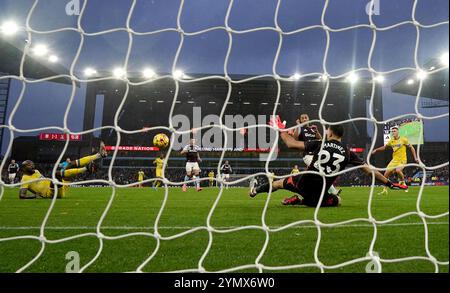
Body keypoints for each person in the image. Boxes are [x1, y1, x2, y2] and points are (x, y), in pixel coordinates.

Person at [249, 116, 407, 207]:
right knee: (338, 200)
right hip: (319, 194)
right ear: (341, 135)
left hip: (302, 183)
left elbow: (291, 144)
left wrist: (280, 130)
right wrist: (389, 183)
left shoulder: (320, 144)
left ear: (330, 132)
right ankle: (299, 200)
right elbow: (369, 170)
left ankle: (256, 191)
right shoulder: (347, 152)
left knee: (277, 183)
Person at [19, 142, 107, 199]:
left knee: (71, 164)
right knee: (57, 173)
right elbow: (21, 195)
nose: (32, 166)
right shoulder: (25, 179)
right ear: (24, 168)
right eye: (29, 165)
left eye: (32, 164)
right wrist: (33, 196)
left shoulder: (36, 171)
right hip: (51, 193)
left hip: (59, 185)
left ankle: (99, 155)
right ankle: (86, 169)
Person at [294, 113, 341, 196]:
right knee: (321, 170)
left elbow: (320, 139)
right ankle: (333, 191)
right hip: (308, 155)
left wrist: (316, 131)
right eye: (302, 118)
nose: (304, 119)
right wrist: (298, 125)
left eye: (306, 117)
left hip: (316, 155)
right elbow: (295, 138)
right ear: (300, 120)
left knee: (317, 173)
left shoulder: (312, 129)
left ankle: (311, 190)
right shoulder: (300, 129)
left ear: (308, 119)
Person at [371, 126, 419, 195]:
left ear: (397, 132)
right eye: (392, 131)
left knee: (398, 170)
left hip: (402, 159)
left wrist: (415, 158)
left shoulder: (403, 139)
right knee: (385, 174)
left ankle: (403, 182)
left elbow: (411, 148)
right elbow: (384, 147)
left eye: (394, 131)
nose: (393, 132)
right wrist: (376, 150)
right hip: (394, 160)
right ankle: (384, 189)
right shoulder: (391, 141)